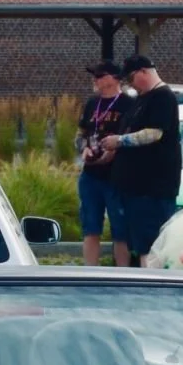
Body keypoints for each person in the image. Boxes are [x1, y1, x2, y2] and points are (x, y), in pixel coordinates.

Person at [96, 53, 180, 263]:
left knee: (151, 246)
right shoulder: (141, 99)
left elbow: (154, 133)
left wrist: (120, 140)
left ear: (144, 72)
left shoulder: (163, 97)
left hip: (152, 188)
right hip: (133, 187)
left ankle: (152, 287)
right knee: (137, 244)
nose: (131, 84)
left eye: (131, 77)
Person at [76, 61, 131, 266]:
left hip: (115, 175)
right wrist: (84, 148)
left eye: (100, 76)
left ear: (113, 78)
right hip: (91, 174)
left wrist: (114, 152)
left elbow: (130, 137)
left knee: (120, 229)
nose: (95, 80)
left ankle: (123, 274)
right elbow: (81, 133)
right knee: (90, 227)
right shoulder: (92, 103)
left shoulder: (127, 104)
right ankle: (90, 272)